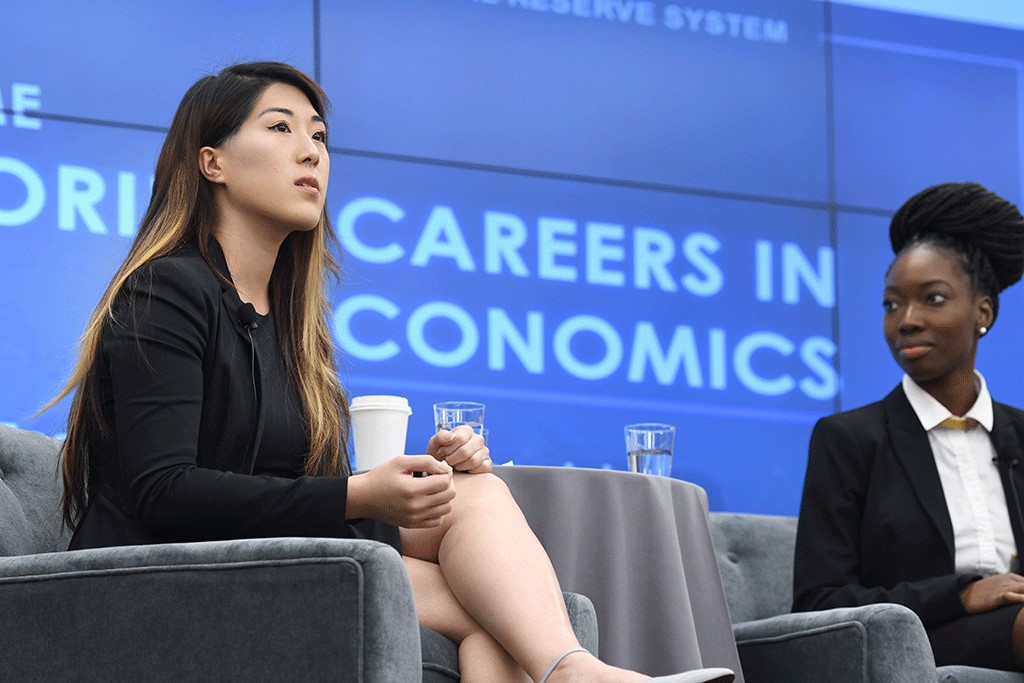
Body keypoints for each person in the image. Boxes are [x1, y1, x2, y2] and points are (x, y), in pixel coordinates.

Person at [49, 62, 733, 683]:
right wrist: (358, 494)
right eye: (280, 127)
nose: (311, 150)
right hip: (144, 580)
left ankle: (574, 669)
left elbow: (286, 488)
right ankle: (578, 673)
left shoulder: (292, 325)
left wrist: (417, 475)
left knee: (471, 493)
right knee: (484, 607)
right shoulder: (166, 290)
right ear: (212, 163)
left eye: (318, 135)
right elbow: (164, 492)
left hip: (258, 558)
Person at [793, 181, 1024, 670]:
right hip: (926, 635)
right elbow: (818, 602)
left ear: (983, 311)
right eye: (892, 304)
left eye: (933, 299)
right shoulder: (849, 439)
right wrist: (961, 594)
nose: (906, 321)